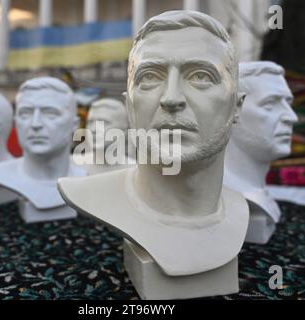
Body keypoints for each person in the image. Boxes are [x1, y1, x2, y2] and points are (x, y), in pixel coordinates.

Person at [59, 10, 248, 277]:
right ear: (129, 106)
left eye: (201, 76)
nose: (171, 98)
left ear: (236, 106)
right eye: (149, 76)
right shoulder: (91, 195)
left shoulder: (240, 208)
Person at [0, 77, 85, 222]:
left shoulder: (86, 178)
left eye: (50, 113)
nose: (35, 124)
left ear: (74, 125)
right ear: (15, 122)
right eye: (25, 113)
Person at [224, 61, 298, 243]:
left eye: (288, 103)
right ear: (230, 111)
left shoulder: (257, 193)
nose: (291, 117)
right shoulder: (222, 195)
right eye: (270, 104)